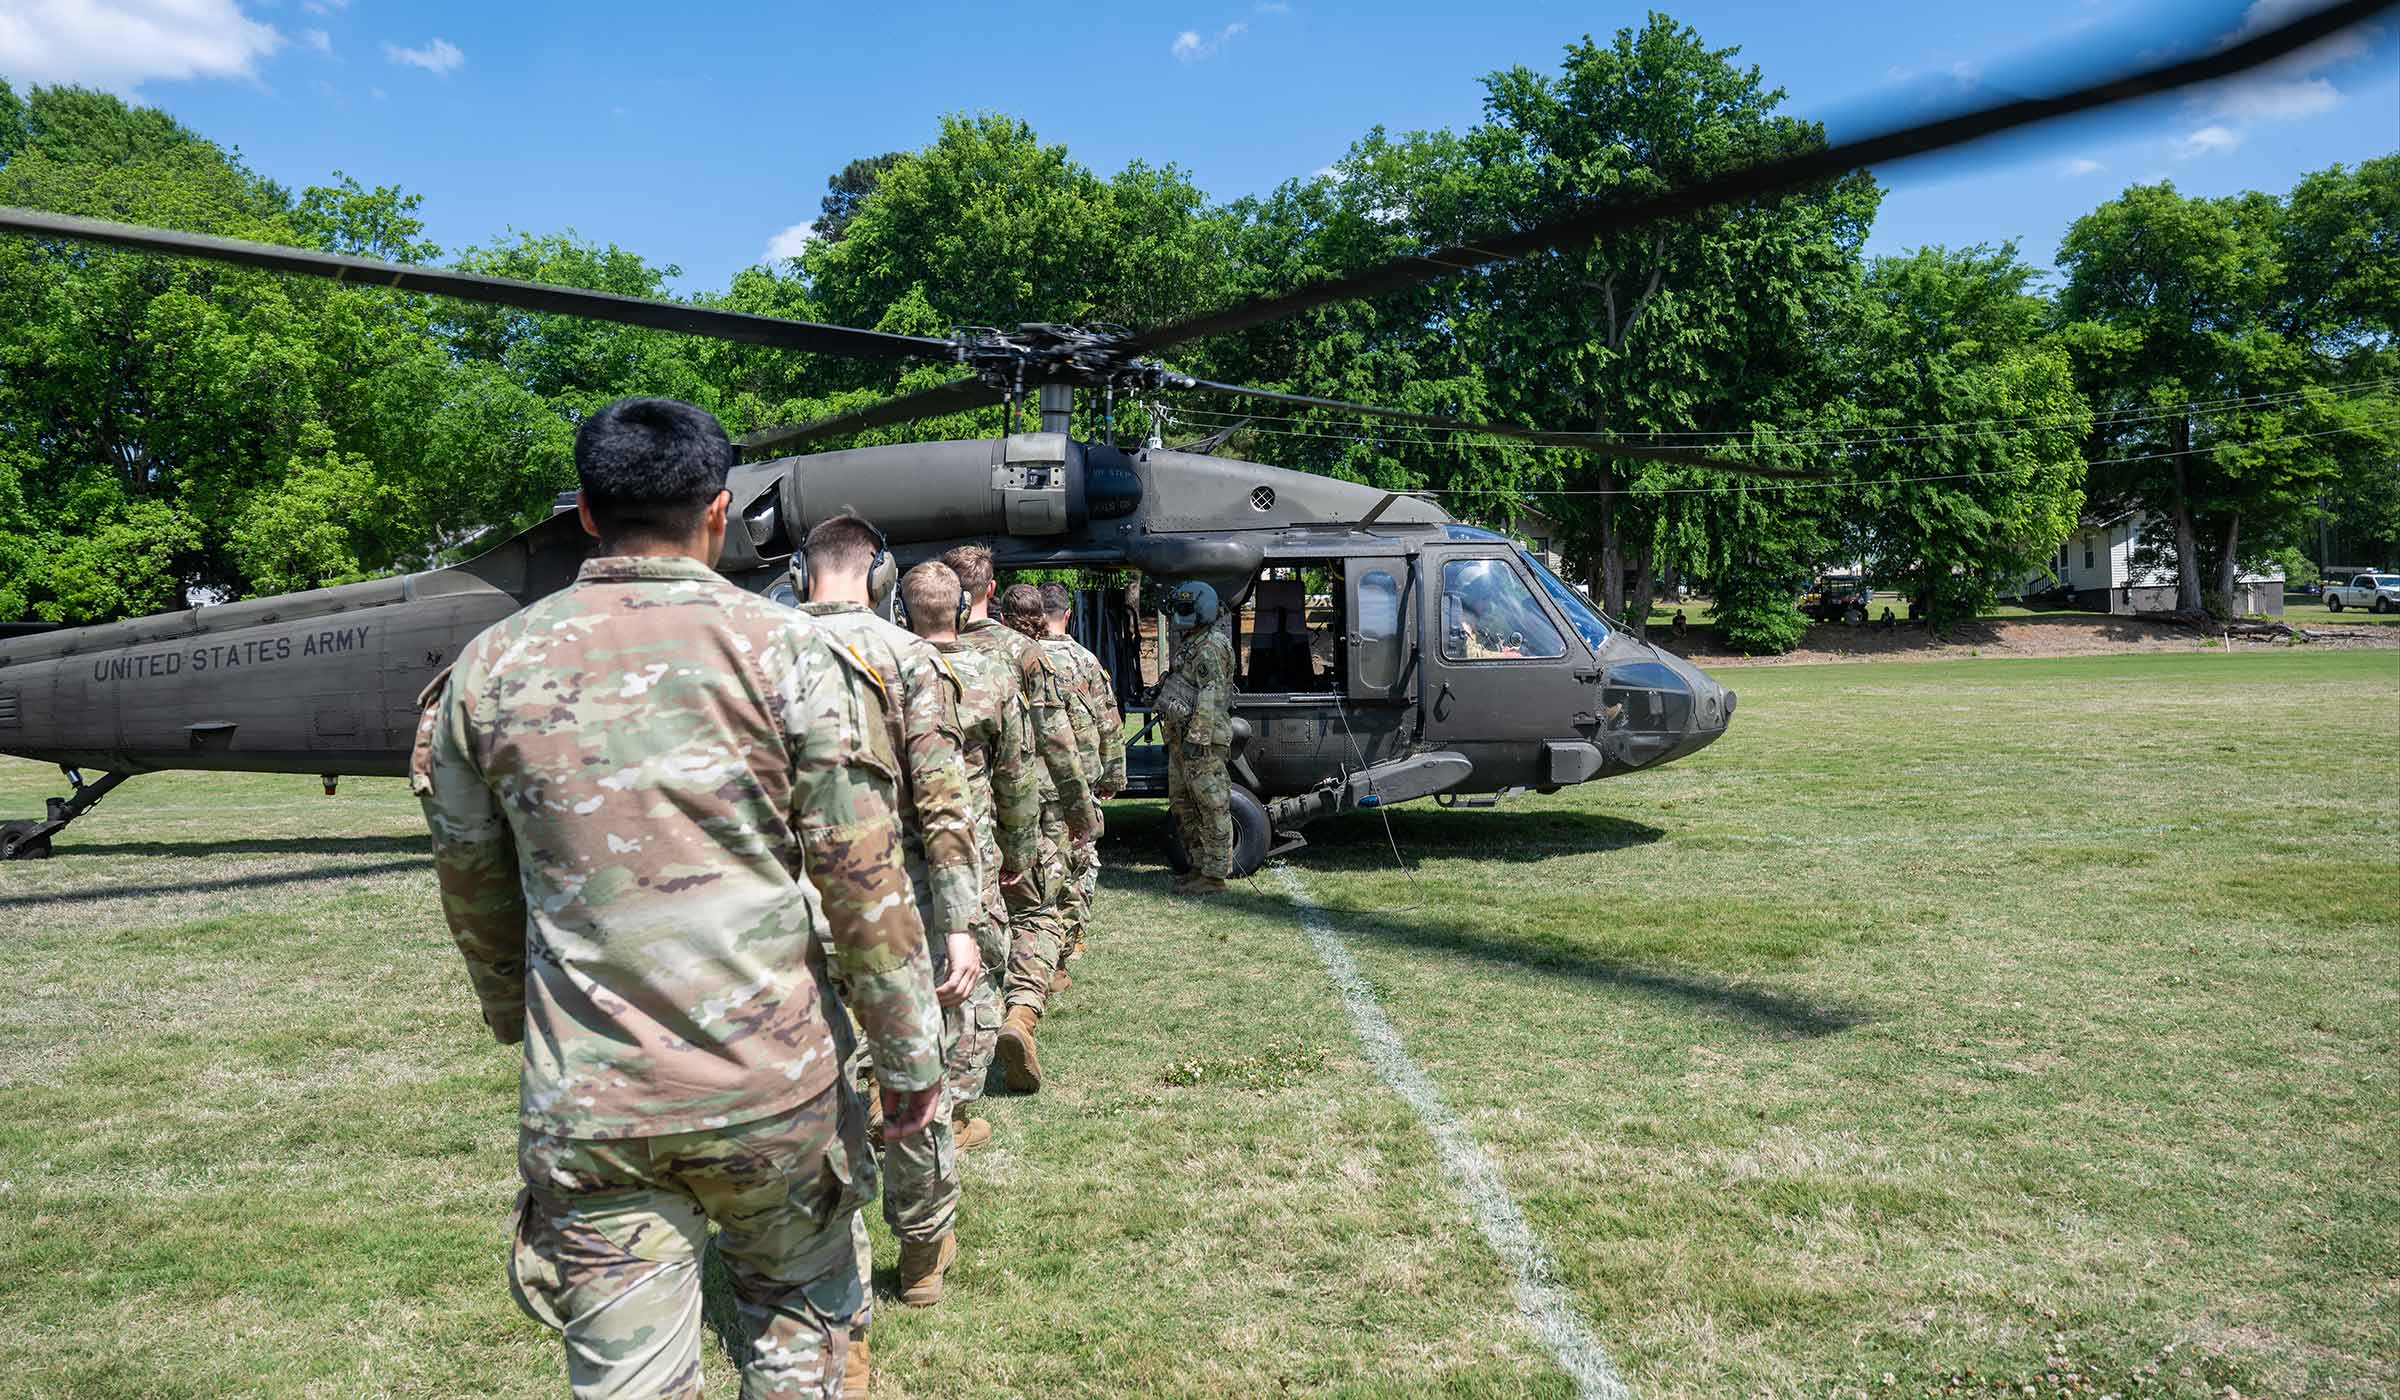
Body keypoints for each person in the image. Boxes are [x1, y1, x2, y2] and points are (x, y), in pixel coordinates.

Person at [412, 397, 941, 1400]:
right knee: (801, 1350)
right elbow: (863, 881)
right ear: (718, 510)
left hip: (594, 1101)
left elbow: (473, 891)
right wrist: (911, 1058)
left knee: (627, 1382)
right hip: (775, 1092)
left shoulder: (486, 669)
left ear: (584, 515)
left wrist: (517, 1018)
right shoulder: (792, 653)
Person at [791, 514, 982, 1311]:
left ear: (803, 572)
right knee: (912, 1086)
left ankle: (830, 1258)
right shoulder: (910, 658)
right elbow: (943, 802)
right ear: (880, 575)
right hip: (887, 910)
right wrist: (962, 923)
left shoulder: (751, 649)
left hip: (784, 917)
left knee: (809, 1094)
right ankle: (922, 1252)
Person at [940, 546, 1094, 1093]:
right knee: (1037, 911)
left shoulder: (919, 653)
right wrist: (1081, 810)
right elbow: (1058, 741)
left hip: (949, 815)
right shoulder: (1027, 654)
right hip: (1030, 805)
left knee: (958, 924)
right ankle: (1021, 1014)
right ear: (990, 589)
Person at [899, 560, 1040, 1151]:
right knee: (972, 976)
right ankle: (951, 1113)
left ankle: (888, 1094)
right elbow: (1017, 774)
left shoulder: (886, 667)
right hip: (970, 846)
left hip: (894, 852)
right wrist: (1021, 850)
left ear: (903, 613)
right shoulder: (994, 672)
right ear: (962, 609)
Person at [1038, 581, 1124, 966]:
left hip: (1035, 782)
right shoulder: (1087, 661)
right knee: (1078, 862)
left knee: (1039, 862)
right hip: (1079, 780)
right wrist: (1112, 778)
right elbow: (1110, 723)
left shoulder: (1023, 657)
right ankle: (1065, 949)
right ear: (1067, 614)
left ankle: (1037, 942)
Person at [1159, 581, 1235, 895]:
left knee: (1212, 805)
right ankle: (1199, 866)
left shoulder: (1210, 646)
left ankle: (1215, 876)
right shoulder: (1194, 641)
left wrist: (1198, 739)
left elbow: (1212, 697)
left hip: (1200, 743)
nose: (1179, 614)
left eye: (1186, 607)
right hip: (1182, 739)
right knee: (1184, 804)